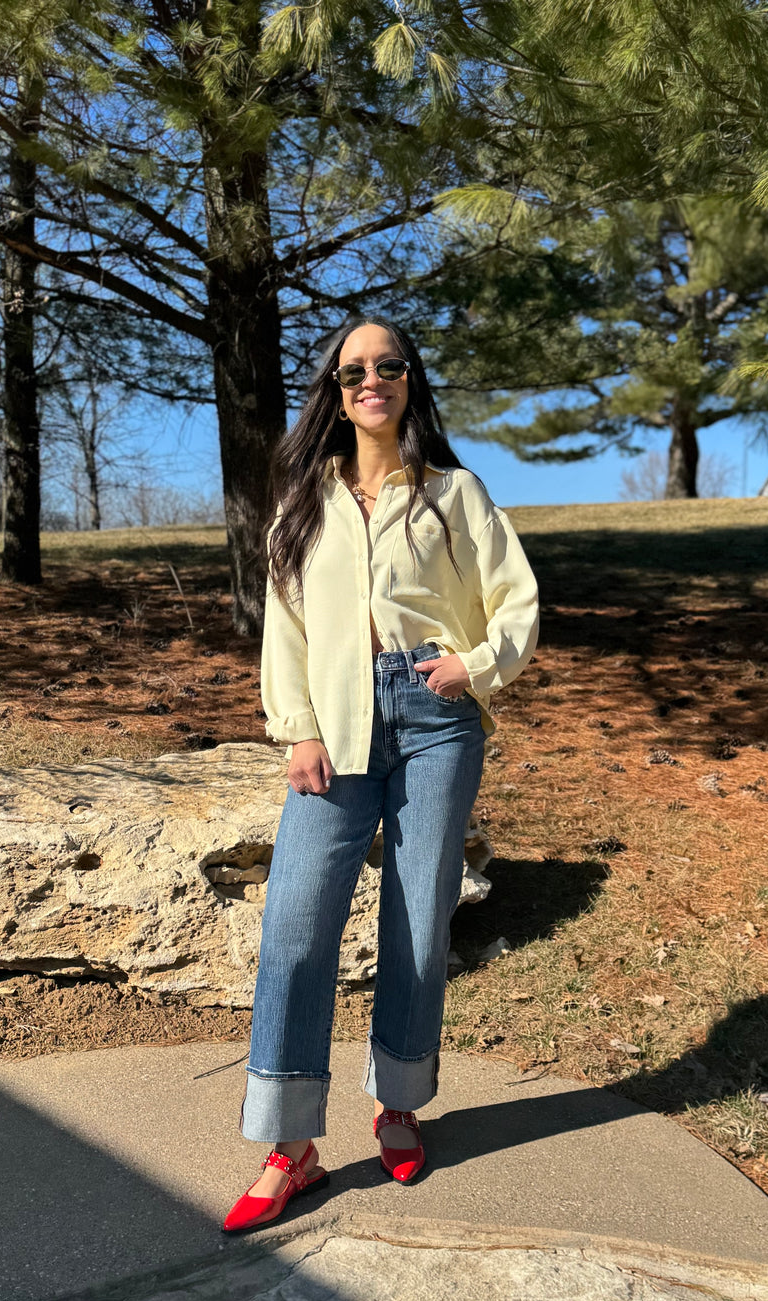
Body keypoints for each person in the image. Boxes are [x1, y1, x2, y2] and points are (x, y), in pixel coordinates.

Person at [222, 316, 540, 1233]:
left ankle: (397, 1106)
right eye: (354, 368)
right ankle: (292, 1147)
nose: (372, 379)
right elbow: (285, 630)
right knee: (292, 927)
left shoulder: (454, 493)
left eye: (388, 365)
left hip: (436, 719)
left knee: (414, 919)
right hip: (335, 729)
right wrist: (298, 730)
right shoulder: (305, 503)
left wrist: (472, 668)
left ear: (409, 382)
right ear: (335, 386)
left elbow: (515, 601)